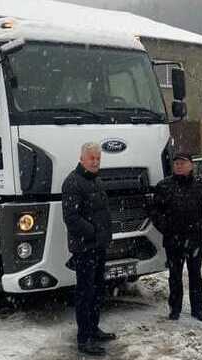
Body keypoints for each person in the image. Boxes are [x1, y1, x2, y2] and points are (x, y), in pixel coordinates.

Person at [62, 142, 116, 357]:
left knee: (97, 290)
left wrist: (105, 234)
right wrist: (94, 232)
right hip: (85, 248)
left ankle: (94, 329)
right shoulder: (73, 182)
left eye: (98, 158)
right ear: (82, 158)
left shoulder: (96, 180)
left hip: (99, 246)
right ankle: (84, 338)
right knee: (85, 294)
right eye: (92, 158)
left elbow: (103, 212)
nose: (95, 162)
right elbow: (71, 218)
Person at [151, 153, 202, 322]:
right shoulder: (164, 186)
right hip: (173, 241)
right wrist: (167, 228)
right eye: (176, 163)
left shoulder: (201, 186)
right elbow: (155, 212)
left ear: (191, 165)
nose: (178, 165)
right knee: (175, 276)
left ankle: (197, 309)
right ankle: (175, 309)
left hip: (196, 240)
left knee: (195, 276)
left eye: (182, 163)